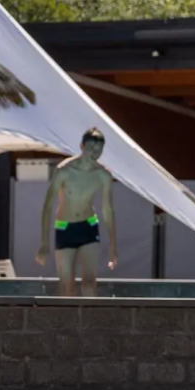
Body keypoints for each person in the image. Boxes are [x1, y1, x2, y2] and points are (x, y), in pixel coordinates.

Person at [34, 127, 118, 296]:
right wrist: (44, 243)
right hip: (65, 227)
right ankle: (68, 321)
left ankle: (88, 321)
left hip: (89, 226)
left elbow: (107, 210)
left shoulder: (103, 175)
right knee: (66, 286)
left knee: (89, 282)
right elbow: (48, 206)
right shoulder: (64, 171)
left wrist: (113, 246)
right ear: (81, 146)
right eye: (91, 148)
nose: (95, 153)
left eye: (99, 150)